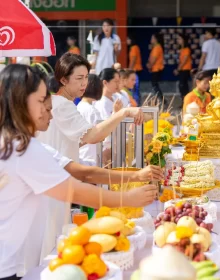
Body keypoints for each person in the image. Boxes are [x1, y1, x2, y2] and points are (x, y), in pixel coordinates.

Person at [0, 64, 157, 279]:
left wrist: (136, 177)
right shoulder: (22, 148)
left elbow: (83, 173)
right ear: (18, 101)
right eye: (41, 102)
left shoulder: (17, 142)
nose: (48, 111)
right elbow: (74, 191)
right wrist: (127, 198)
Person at [76, 74, 103, 165]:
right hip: (91, 156)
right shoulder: (92, 110)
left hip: (82, 154)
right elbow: (100, 132)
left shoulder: (79, 106)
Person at [147, 33, 164, 102]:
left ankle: (161, 99)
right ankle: (159, 99)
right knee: (155, 84)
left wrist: (149, 66)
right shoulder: (156, 47)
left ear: (156, 40)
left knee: (155, 85)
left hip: (156, 69)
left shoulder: (157, 47)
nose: (151, 40)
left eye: (152, 38)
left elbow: (153, 59)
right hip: (155, 68)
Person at [173, 34, 192, 100]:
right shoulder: (182, 49)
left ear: (183, 40)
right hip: (182, 70)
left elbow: (184, 61)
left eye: (179, 39)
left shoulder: (186, 49)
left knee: (183, 86)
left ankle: (186, 101)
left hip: (185, 70)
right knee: (182, 86)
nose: (178, 41)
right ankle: (184, 101)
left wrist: (178, 69)